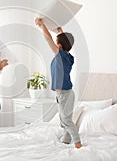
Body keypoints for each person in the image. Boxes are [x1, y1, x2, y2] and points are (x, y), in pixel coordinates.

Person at [35, 18, 82, 149]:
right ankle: (66, 140)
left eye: (57, 43)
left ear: (60, 46)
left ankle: (77, 142)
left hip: (64, 94)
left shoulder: (60, 55)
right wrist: (60, 30)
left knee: (66, 120)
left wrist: (42, 25)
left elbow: (48, 39)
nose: (55, 44)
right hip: (66, 93)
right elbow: (62, 41)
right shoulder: (69, 57)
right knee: (64, 119)